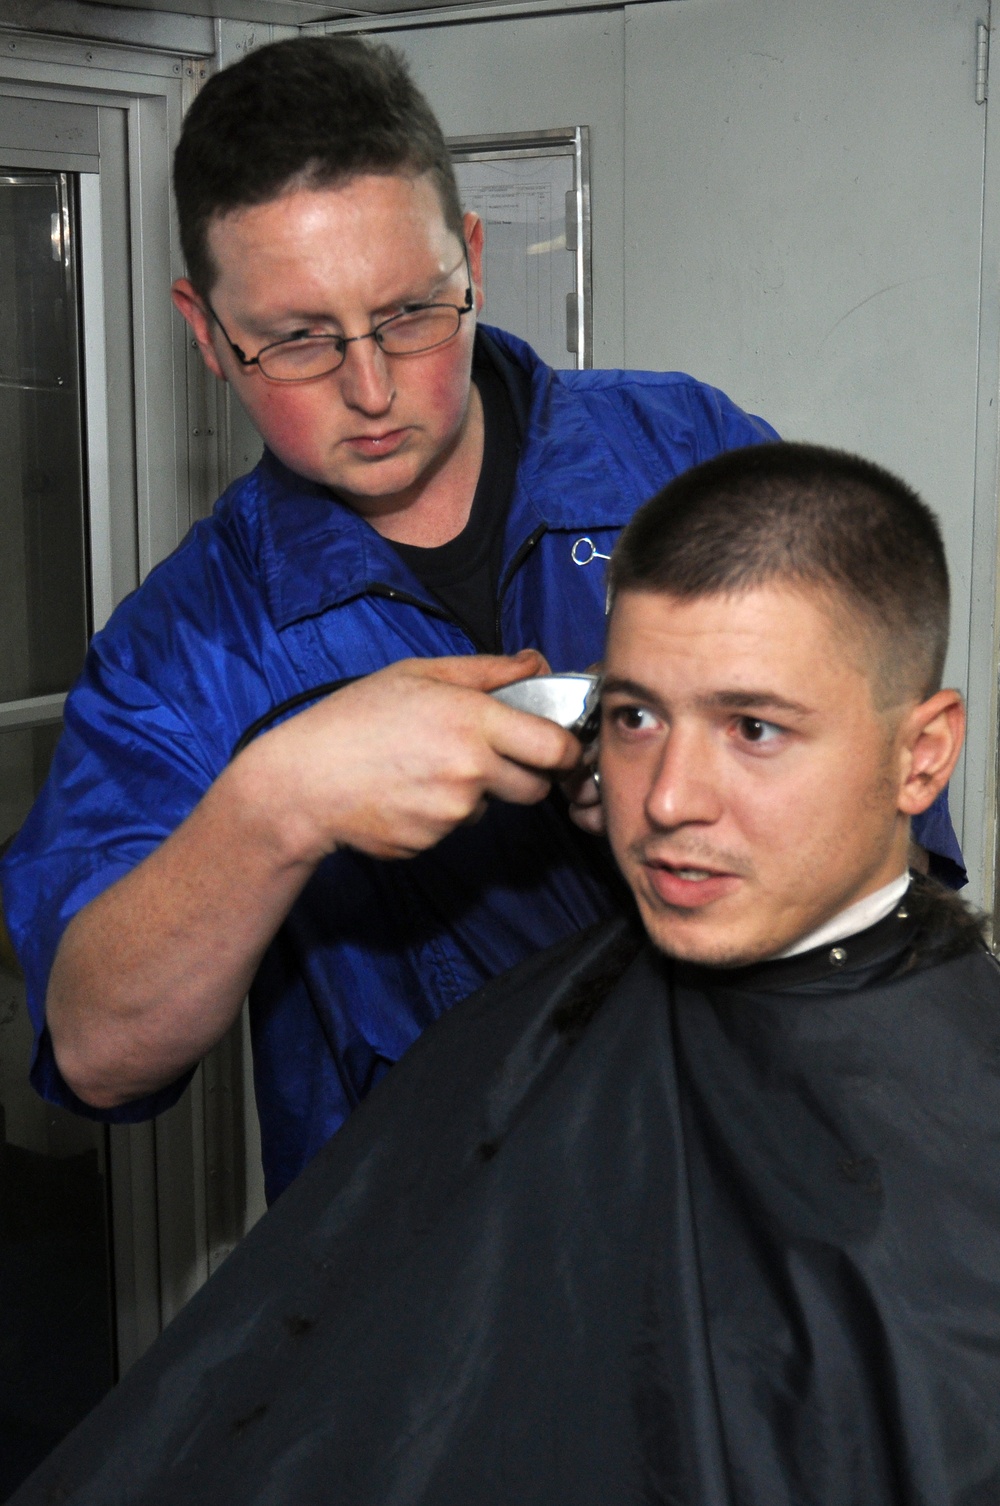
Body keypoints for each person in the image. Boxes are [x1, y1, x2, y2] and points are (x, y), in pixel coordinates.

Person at [0, 38, 961, 1206]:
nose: (370, 388)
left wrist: (693, 791)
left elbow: (899, 855)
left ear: (474, 260)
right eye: (298, 339)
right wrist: (277, 806)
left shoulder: (682, 452)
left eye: (411, 313)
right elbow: (100, 1053)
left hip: (774, 1174)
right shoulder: (183, 649)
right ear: (205, 332)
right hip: (435, 1258)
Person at [11, 441, 996, 1506]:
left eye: (752, 728)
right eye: (635, 718)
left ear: (922, 756)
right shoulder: (547, 1029)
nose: (665, 799)